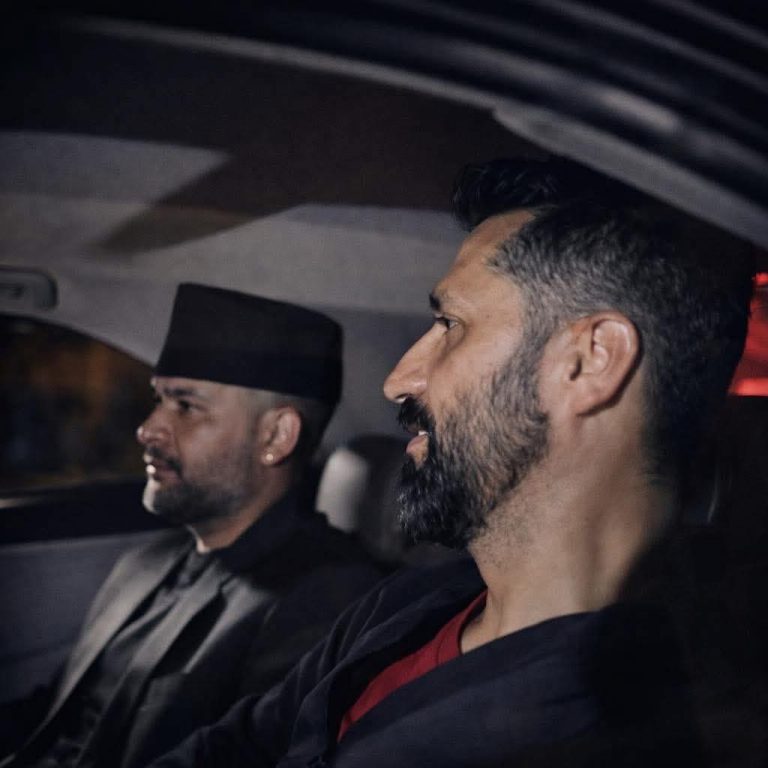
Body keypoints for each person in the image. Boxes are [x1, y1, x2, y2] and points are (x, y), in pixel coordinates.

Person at [146, 159, 757, 767]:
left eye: (449, 324)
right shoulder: (407, 605)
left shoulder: (643, 728)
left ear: (591, 360)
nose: (398, 380)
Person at [3, 284, 386, 768]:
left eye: (186, 406)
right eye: (158, 399)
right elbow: (56, 716)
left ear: (276, 435)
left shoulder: (327, 601)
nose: (147, 429)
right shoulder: (148, 562)